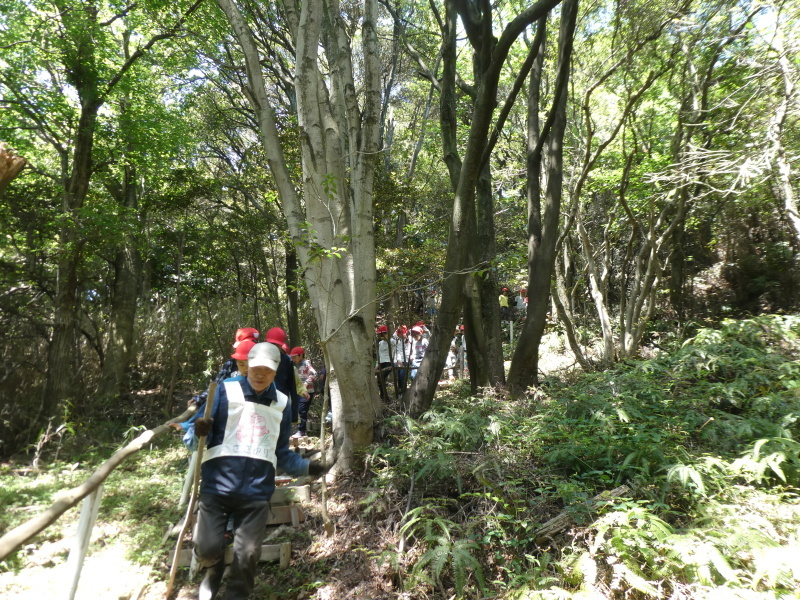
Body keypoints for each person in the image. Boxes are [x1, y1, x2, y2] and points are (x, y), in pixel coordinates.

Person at [185, 342, 327, 600]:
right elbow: (192, 438)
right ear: (246, 366)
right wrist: (198, 430)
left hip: (257, 493)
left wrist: (309, 466)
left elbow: (281, 453)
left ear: (276, 372)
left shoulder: (282, 403)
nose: (260, 374)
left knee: (247, 554)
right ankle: (213, 568)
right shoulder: (223, 391)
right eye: (255, 368)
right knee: (207, 548)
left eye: (267, 370)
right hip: (216, 487)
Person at [189, 328, 259, 407]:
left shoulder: (265, 368)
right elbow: (217, 385)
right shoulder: (230, 364)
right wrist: (200, 399)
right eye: (241, 364)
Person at [263, 327, 302, 425]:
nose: (273, 347)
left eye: (276, 345)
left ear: (281, 346)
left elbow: (292, 387)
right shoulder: (260, 358)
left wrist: (293, 414)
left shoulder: (286, 360)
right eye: (271, 344)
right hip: (263, 403)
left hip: (280, 403)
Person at [289, 347, 316, 438]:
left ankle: (301, 431)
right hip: (299, 392)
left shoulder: (305, 363)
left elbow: (313, 374)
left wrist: (305, 384)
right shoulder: (296, 365)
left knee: (302, 411)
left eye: (295, 357)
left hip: (307, 391)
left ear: (301, 355)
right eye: (292, 357)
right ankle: (299, 429)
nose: (293, 359)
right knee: (298, 410)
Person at [392, 325, 411, 393]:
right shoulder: (398, 340)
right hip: (399, 360)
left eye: (402, 334)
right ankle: (400, 389)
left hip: (407, 359)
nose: (401, 335)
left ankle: (403, 390)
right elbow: (398, 351)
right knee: (398, 376)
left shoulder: (410, 339)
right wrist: (399, 360)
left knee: (403, 375)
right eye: (400, 334)